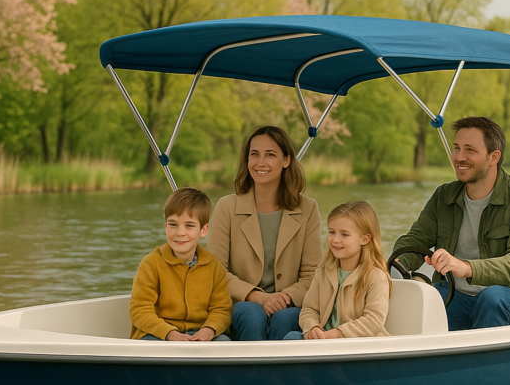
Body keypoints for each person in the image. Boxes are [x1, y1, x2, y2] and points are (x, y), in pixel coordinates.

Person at [392, 116, 510, 330]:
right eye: (457, 148)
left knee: (492, 298)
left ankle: (487, 363)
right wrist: (394, 267)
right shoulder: (443, 195)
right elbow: (414, 240)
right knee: (426, 298)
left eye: (470, 150)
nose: (459, 157)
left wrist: (465, 267)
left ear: (493, 157)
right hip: (457, 295)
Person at [208, 125, 321, 340]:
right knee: (251, 314)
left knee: (285, 317)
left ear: (286, 160)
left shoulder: (308, 209)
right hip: (241, 305)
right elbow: (216, 272)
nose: (260, 162)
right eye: (254, 154)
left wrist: (284, 297)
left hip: (288, 304)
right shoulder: (227, 207)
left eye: (270, 155)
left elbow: (312, 274)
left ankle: (277, 374)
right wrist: (258, 298)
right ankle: (249, 373)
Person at [129, 187, 232, 341]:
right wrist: (170, 334)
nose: (180, 233)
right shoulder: (151, 264)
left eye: (189, 226)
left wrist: (209, 329)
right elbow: (140, 310)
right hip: (158, 334)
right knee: (151, 346)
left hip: (199, 333)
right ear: (165, 226)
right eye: (173, 224)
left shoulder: (213, 266)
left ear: (203, 230)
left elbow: (221, 309)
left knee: (224, 342)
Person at [285, 201, 391, 339]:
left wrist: (339, 333)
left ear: (365, 239)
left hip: (361, 345)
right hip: (326, 341)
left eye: (344, 234)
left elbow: (374, 320)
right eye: (331, 232)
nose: (335, 239)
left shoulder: (376, 276)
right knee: (292, 337)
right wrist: (312, 327)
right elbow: (309, 309)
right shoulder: (323, 271)